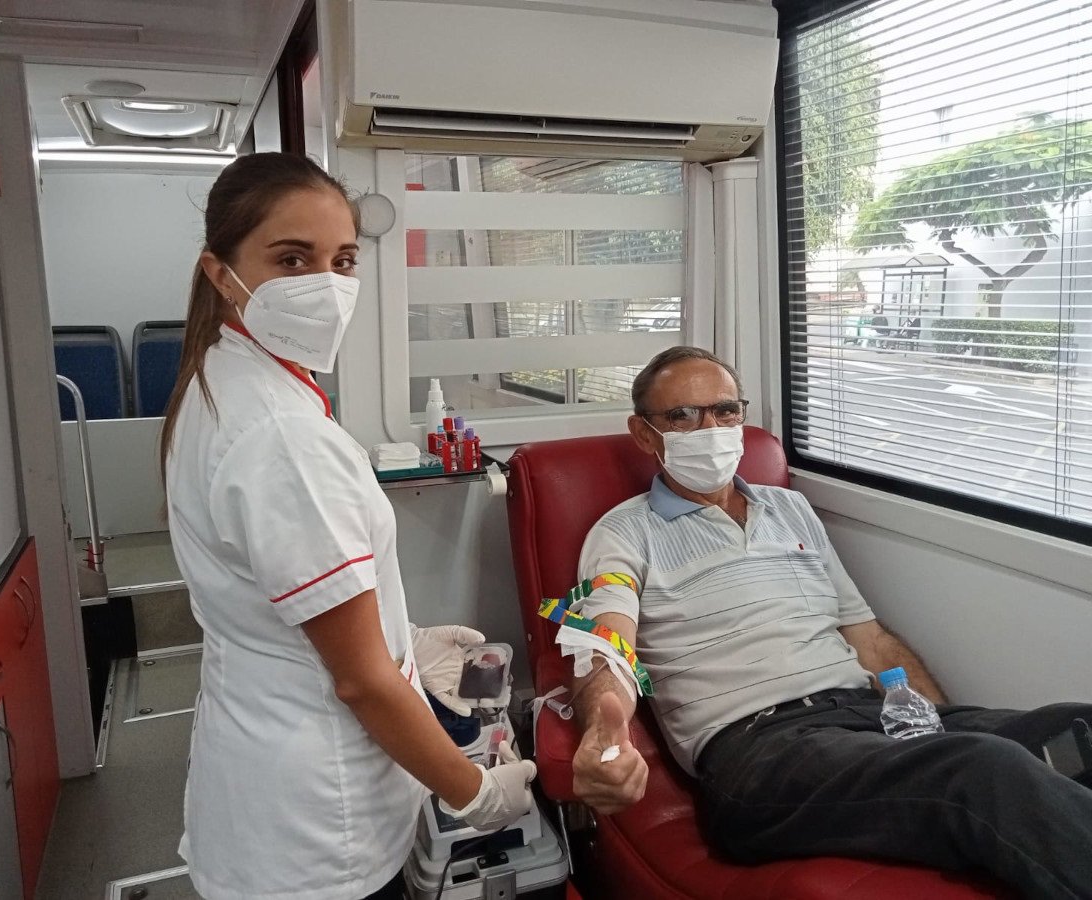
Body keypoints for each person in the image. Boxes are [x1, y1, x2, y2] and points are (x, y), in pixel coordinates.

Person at [566, 345, 1092, 898]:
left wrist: (934, 726)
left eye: (724, 410)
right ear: (645, 434)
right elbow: (606, 647)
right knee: (985, 769)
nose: (711, 429)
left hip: (866, 717)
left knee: (1077, 727)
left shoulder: (790, 510)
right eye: (682, 416)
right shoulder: (623, 533)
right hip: (760, 751)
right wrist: (603, 730)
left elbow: (870, 639)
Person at [161, 153, 536, 900]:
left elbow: (279, 594)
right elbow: (360, 681)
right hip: (316, 825)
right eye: (291, 259)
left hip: (262, 772)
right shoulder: (281, 436)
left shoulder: (225, 381)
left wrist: (406, 640)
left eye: (341, 261)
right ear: (219, 272)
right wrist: (474, 792)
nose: (326, 286)